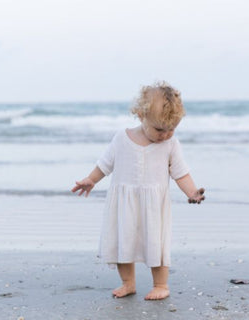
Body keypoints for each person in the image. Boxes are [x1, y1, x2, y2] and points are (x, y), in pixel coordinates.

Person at [71, 81, 205, 300]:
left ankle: (161, 285)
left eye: (172, 129)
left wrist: (191, 192)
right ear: (141, 115)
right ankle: (128, 283)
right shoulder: (121, 139)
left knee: (157, 245)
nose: (166, 134)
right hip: (125, 203)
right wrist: (91, 179)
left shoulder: (171, 145)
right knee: (124, 242)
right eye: (160, 129)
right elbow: (105, 164)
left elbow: (181, 173)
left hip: (154, 206)